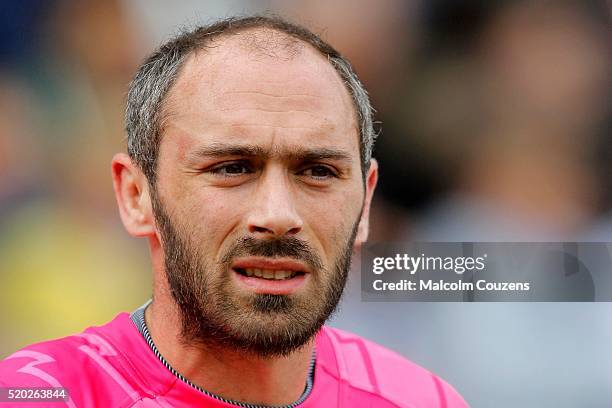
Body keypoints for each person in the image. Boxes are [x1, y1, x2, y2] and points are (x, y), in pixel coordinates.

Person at [0, 16, 468, 407]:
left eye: (319, 171)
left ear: (365, 202)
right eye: (232, 168)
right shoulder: (41, 394)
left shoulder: (419, 399)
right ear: (136, 196)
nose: (278, 214)